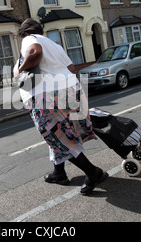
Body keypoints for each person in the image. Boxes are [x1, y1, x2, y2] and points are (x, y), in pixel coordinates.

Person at [14, 18, 108, 196]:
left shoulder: (29, 39)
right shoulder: (54, 45)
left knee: (57, 137)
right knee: (58, 133)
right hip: (71, 90)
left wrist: (20, 70)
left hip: (46, 96)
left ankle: (93, 172)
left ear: (25, 33)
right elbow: (71, 68)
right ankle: (59, 173)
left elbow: (35, 53)